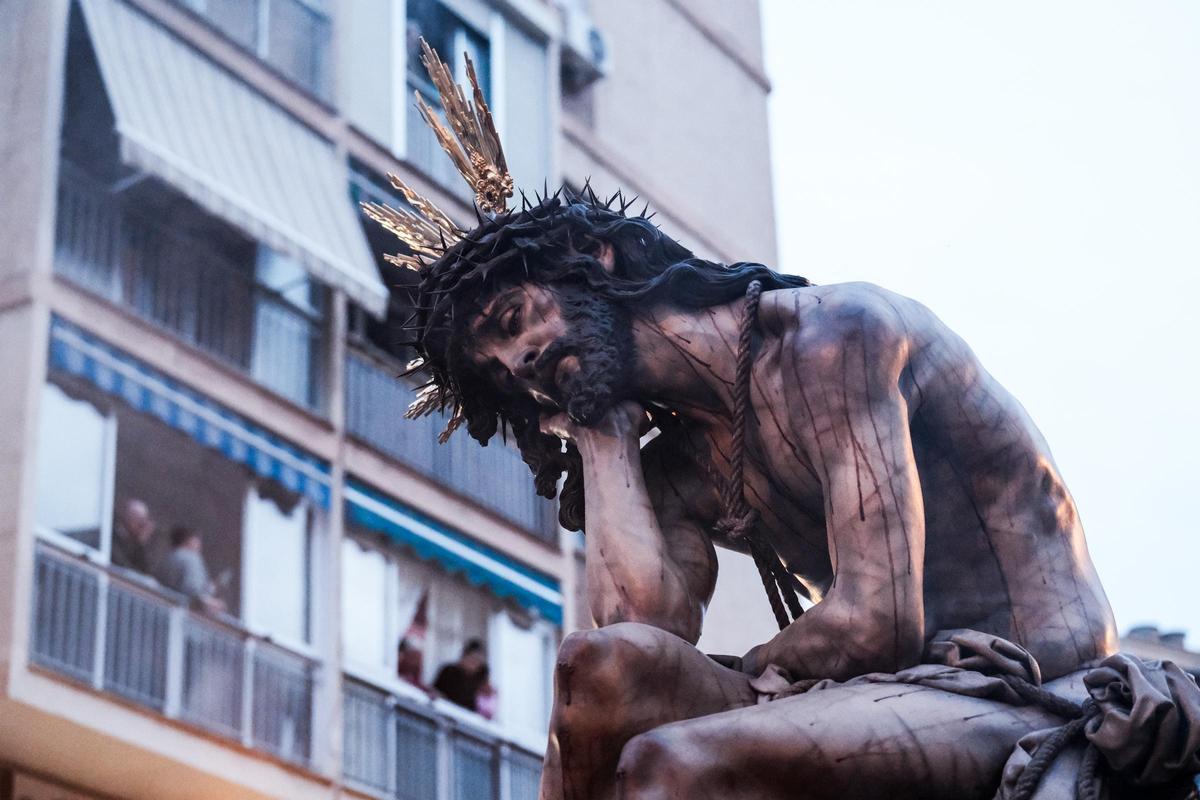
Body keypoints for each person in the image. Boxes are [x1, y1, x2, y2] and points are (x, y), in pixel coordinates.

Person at [362, 42, 1200, 800]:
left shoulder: (835, 340)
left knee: (674, 765)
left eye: (513, 319)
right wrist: (601, 434)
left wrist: (761, 668)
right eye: (499, 374)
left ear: (599, 261)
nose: (520, 364)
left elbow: (882, 619)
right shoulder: (682, 462)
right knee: (594, 667)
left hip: (1019, 681)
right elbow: (635, 644)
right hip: (876, 693)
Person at [157, 526, 225, 615]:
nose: (199, 546)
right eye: (197, 541)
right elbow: (193, 590)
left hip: (162, 611)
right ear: (189, 540)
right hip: (182, 616)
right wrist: (212, 603)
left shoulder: (167, 559)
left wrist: (209, 588)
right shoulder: (191, 558)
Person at [433, 639, 488, 713]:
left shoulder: (480, 681)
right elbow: (435, 691)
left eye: (478, 661)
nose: (474, 663)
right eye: (472, 659)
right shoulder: (448, 671)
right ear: (464, 656)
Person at [111, 498, 154, 574]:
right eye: (141, 521)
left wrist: (142, 543)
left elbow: (145, 571)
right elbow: (123, 566)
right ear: (130, 519)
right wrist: (140, 544)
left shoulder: (135, 542)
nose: (142, 526)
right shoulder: (114, 536)